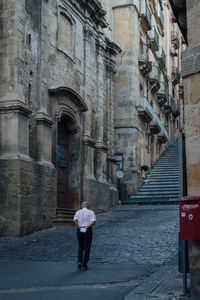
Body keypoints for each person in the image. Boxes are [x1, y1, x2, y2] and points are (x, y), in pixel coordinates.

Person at [73, 202, 96, 270]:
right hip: (87, 229)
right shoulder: (91, 212)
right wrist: (87, 227)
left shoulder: (78, 212)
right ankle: (85, 264)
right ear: (88, 206)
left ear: (81, 206)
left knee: (80, 246)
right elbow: (93, 221)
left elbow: (75, 220)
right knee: (87, 247)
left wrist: (79, 227)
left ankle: (79, 261)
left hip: (80, 229)